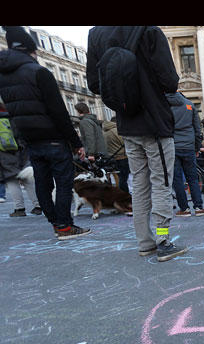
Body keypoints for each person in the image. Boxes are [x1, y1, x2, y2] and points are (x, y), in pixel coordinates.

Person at [87, 26, 187, 261]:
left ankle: (145, 242)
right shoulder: (149, 30)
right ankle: (163, 241)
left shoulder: (96, 34)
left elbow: (94, 83)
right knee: (161, 183)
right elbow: (170, 81)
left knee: (139, 185)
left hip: (127, 124)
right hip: (154, 121)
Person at [0, 26, 89, 240]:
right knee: (64, 181)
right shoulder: (39, 72)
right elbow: (58, 111)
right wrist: (75, 141)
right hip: (53, 137)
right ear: (31, 49)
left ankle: (55, 224)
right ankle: (66, 226)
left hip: (29, 137)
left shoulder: (4, 76)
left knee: (42, 182)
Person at [165, 91, 204, 218]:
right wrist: (197, 146)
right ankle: (198, 207)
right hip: (189, 145)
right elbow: (197, 128)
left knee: (177, 179)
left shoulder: (164, 105)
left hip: (172, 145)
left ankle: (184, 208)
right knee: (193, 178)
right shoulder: (189, 105)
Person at [0, 102, 41, 216]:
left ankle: (19, 209)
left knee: (12, 180)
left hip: (4, 154)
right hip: (20, 150)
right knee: (26, 179)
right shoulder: (12, 117)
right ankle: (38, 205)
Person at [102, 116, 130, 194]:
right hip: (122, 156)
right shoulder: (116, 130)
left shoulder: (104, 131)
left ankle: (120, 193)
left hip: (111, 157)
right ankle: (124, 194)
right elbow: (124, 143)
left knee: (117, 177)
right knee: (123, 178)